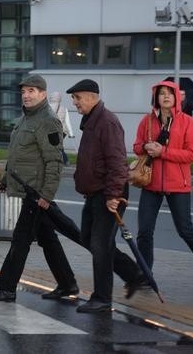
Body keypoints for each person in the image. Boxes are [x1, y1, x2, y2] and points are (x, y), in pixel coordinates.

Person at [0, 74, 79, 303]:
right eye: (24, 91)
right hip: (29, 190)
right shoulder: (26, 119)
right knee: (48, 238)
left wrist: (47, 194)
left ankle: (6, 288)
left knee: (21, 239)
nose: (26, 95)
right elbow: (18, 155)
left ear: (43, 94)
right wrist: (5, 179)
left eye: (31, 91)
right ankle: (67, 284)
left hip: (36, 193)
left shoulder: (48, 120)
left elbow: (55, 161)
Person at [134, 80, 193, 289]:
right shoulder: (147, 121)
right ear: (156, 97)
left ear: (176, 97)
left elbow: (191, 154)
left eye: (169, 93)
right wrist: (145, 146)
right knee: (144, 231)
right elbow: (137, 146)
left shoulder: (187, 122)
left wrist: (163, 152)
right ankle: (146, 275)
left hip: (178, 184)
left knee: (186, 230)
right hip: (151, 182)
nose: (165, 96)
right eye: (161, 93)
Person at [66, 79, 145, 313]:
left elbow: (118, 163)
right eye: (74, 98)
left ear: (91, 96)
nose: (75, 102)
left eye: (77, 97)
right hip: (95, 193)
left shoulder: (107, 122)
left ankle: (102, 299)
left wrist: (113, 195)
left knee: (100, 245)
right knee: (90, 239)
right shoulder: (92, 120)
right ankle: (133, 273)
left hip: (108, 194)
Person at [48, 91, 74, 165]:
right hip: (62, 131)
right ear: (59, 98)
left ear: (51, 97)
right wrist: (71, 134)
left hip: (51, 130)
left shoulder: (47, 107)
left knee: (55, 146)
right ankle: (62, 160)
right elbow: (67, 122)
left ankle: (64, 160)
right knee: (57, 146)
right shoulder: (64, 109)